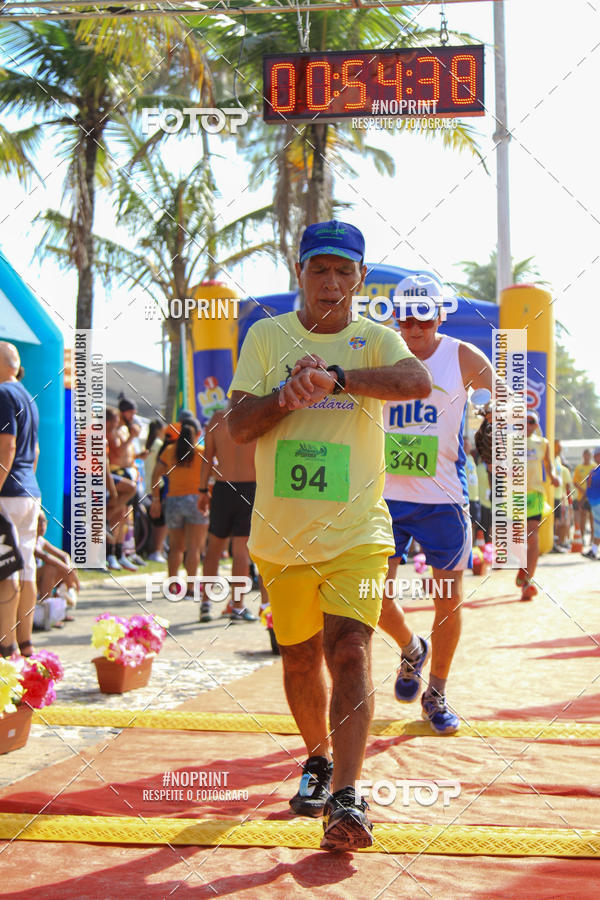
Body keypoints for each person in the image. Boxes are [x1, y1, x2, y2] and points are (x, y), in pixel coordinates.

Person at [227, 220, 431, 851]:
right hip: (281, 537)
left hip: (358, 533)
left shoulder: (376, 338)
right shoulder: (266, 335)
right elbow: (237, 426)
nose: (332, 282)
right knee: (299, 655)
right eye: (320, 269)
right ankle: (316, 760)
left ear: (360, 278)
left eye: (345, 271)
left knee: (349, 650)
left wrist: (338, 378)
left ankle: (347, 796)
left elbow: (416, 383)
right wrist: (285, 397)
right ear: (301, 273)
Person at [377, 274, 495, 735]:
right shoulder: (382, 351)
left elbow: (504, 400)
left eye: (423, 317)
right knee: (373, 597)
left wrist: (494, 416)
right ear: (395, 317)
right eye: (405, 318)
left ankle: (437, 693)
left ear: (440, 315)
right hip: (385, 497)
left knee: (447, 599)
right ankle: (412, 649)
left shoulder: (463, 356)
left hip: (443, 500)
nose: (414, 328)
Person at [198, 410, 260, 623]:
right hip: (250, 487)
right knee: (241, 550)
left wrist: (202, 490)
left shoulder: (217, 419)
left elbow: (207, 457)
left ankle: (205, 604)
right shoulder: (256, 416)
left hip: (223, 487)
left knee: (214, 547)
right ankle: (238, 606)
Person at [0, 342, 41, 657]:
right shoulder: (27, 396)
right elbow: (35, 450)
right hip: (28, 491)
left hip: (7, 493)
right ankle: (26, 645)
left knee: (5, 570)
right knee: (26, 568)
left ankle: (6, 647)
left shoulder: (3, 394)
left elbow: (7, 446)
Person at [150, 417, 209, 596]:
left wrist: (156, 499)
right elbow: (215, 474)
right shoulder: (202, 452)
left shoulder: (169, 451)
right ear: (197, 434)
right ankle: (190, 588)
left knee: (176, 547)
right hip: (196, 501)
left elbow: (155, 475)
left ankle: (172, 586)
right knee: (193, 548)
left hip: (174, 501)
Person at [517, 411, 559, 600]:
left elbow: (548, 465)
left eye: (531, 421)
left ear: (536, 425)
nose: (527, 424)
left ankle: (528, 581)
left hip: (535, 495)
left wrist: (554, 476)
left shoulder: (543, 443)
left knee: (533, 538)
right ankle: (522, 567)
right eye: (524, 421)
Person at [35, 509, 79, 620]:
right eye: (39, 521)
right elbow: (46, 557)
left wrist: (69, 569)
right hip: (27, 581)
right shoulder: (28, 540)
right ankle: (47, 614)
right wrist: (67, 570)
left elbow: (64, 555)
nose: (42, 525)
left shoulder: (41, 540)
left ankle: (60, 609)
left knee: (68, 567)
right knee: (50, 569)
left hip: (38, 580)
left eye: (44, 521)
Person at [144, 419, 168, 563]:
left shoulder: (150, 443)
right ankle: (156, 551)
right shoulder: (159, 444)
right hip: (158, 485)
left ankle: (156, 550)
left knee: (155, 520)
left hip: (148, 485)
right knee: (161, 521)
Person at [573, 449, 595, 547]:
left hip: (592, 496)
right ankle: (581, 538)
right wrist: (583, 491)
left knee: (593, 518)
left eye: (588, 455)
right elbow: (575, 482)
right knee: (583, 517)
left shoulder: (594, 466)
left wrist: (589, 491)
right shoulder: (579, 467)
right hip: (581, 497)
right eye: (585, 455)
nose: (587, 457)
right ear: (583, 456)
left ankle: (592, 539)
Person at [582, 448, 600, 559]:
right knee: (597, 528)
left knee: (598, 528)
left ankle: (594, 551)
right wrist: (583, 499)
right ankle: (594, 551)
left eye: (597, 455)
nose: (594, 457)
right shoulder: (594, 470)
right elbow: (588, 486)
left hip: (598, 502)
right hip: (594, 503)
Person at [464, 437, 480, 542]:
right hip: (466, 497)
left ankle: (472, 546)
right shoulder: (459, 457)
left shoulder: (471, 458)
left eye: (467, 444)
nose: (466, 447)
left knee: (474, 523)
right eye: (464, 444)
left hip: (475, 497)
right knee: (465, 523)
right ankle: (465, 545)